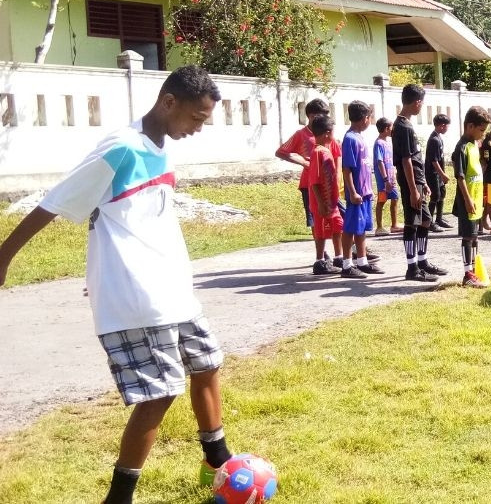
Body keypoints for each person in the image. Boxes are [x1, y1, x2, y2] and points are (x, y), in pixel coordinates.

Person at [0, 66, 233, 503]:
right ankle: (119, 497)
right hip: (137, 292)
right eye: (197, 119)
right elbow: (54, 201)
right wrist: (4, 256)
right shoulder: (121, 147)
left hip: (173, 286)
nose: (198, 129)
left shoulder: (161, 145)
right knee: (159, 394)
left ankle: (218, 461)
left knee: (207, 361)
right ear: (169, 103)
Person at [274, 98, 340, 263]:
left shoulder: (327, 132)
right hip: (310, 184)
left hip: (329, 184)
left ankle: (346, 252)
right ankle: (322, 255)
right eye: (320, 115)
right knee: (315, 219)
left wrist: (337, 178)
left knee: (337, 217)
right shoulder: (301, 135)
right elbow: (281, 152)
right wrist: (304, 162)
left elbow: (337, 155)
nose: (324, 118)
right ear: (310, 116)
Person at [393, 84, 444, 282]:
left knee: (425, 220)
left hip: (418, 179)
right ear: (417, 102)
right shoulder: (402, 126)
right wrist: (414, 188)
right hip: (410, 182)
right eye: (421, 103)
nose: (421, 106)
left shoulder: (406, 124)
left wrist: (423, 183)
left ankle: (422, 261)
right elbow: (406, 159)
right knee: (411, 223)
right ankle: (411, 267)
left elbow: (414, 158)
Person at [339, 101, 383, 279]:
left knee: (361, 228)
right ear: (364, 118)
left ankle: (362, 261)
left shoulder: (360, 137)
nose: (370, 121)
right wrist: (353, 192)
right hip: (356, 194)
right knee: (350, 228)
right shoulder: (349, 139)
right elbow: (347, 169)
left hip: (365, 193)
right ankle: (347, 264)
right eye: (369, 118)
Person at [450, 106, 491, 288]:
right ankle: (467, 274)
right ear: (470, 126)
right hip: (467, 201)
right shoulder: (461, 148)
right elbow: (460, 177)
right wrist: (467, 200)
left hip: (476, 200)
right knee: (467, 237)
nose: (483, 134)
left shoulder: (475, 145)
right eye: (481, 130)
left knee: (475, 237)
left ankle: (474, 270)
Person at [308, 116, 344, 276]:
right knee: (321, 232)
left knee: (338, 226)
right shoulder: (317, 152)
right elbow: (314, 181)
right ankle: (319, 261)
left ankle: (339, 257)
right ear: (327, 133)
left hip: (332, 201)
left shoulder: (326, 151)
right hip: (321, 202)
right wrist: (321, 203)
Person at [373, 118, 403, 236]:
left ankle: (394, 225)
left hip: (391, 178)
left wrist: (393, 176)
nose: (392, 130)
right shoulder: (378, 143)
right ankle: (379, 227)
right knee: (381, 201)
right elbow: (380, 162)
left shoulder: (388, 142)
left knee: (395, 198)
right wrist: (385, 179)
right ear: (386, 129)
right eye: (391, 128)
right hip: (383, 180)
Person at [425, 114, 453, 232]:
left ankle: (439, 218)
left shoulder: (439, 137)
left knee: (442, 193)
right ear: (442, 126)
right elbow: (434, 161)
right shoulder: (434, 140)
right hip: (433, 173)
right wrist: (442, 174)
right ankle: (429, 222)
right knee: (435, 196)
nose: (447, 128)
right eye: (447, 126)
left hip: (439, 174)